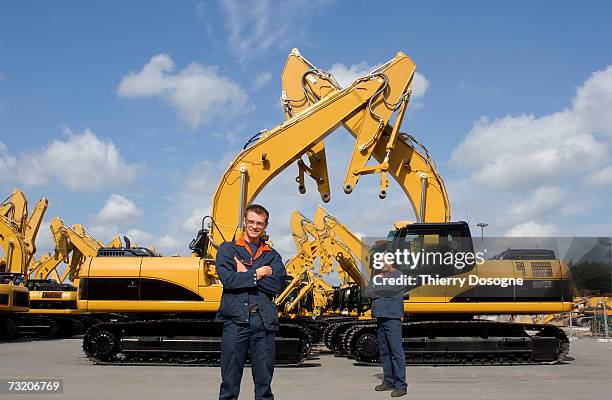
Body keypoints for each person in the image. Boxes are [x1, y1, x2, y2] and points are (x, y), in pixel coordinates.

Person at [216, 204, 287, 400]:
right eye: (251, 222)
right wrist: (259, 273)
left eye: (260, 223)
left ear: (265, 226)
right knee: (229, 381)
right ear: (244, 222)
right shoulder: (228, 249)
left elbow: (277, 285)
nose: (255, 227)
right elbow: (228, 280)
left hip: (264, 323)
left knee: (264, 383)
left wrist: (245, 274)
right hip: (235, 322)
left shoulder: (272, 255)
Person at [364, 251, 408, 398]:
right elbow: (367, 291)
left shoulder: (398, 275)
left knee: (396, 352)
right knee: (384, 352)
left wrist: (378, 290)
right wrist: (380, 290)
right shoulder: (376, 276)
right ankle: (388, 381)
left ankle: (401, 385)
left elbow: (391, 289)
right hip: (380, 318)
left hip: (393, 317)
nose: (382, 263)